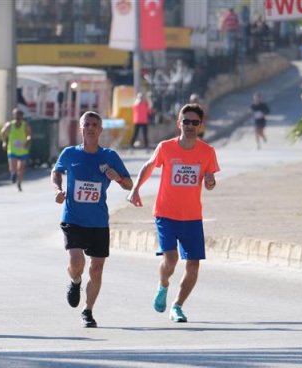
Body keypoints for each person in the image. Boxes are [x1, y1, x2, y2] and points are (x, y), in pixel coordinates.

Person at [127, 103, 219, 323]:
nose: (189, 125)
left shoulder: (207, 152)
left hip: (192, 217)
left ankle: (177, 306)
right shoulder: (166, 147)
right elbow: (149, 166)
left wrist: (210, 181)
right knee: (170, 258)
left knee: (193, 266)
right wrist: (135, 189)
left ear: (200, 125)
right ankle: (163, 284)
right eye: (185, 121)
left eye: (194, 122)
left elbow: (210, 182)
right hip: (166, 214)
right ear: (179, 124)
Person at [52, 111, 133, 328]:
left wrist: (118, 178)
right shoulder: (70, 154)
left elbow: (129, 184)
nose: (90, 127)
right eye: (86, 124)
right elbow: (56, 171)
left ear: (100, 129)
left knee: (96, 269)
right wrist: (59, 189)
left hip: (98, 222)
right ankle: (75, 280)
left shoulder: (109, 157)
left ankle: (88, 311)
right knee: (77, 263)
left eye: (94, 124)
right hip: (73, 218)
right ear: (81, 128)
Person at [1, 108, 32, 191]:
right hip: (12, 149)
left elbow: (29, 135)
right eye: (16, 115)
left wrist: (28, 140)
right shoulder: (9, 125)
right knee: (13, 166)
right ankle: (13, 174)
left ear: (22, 116)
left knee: (21, 168)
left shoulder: (25, 125)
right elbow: (3, 133)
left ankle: (19, 183)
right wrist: (4, 142)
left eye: (19, 115)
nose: (18, 117)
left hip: (23, 150)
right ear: (13, 116)